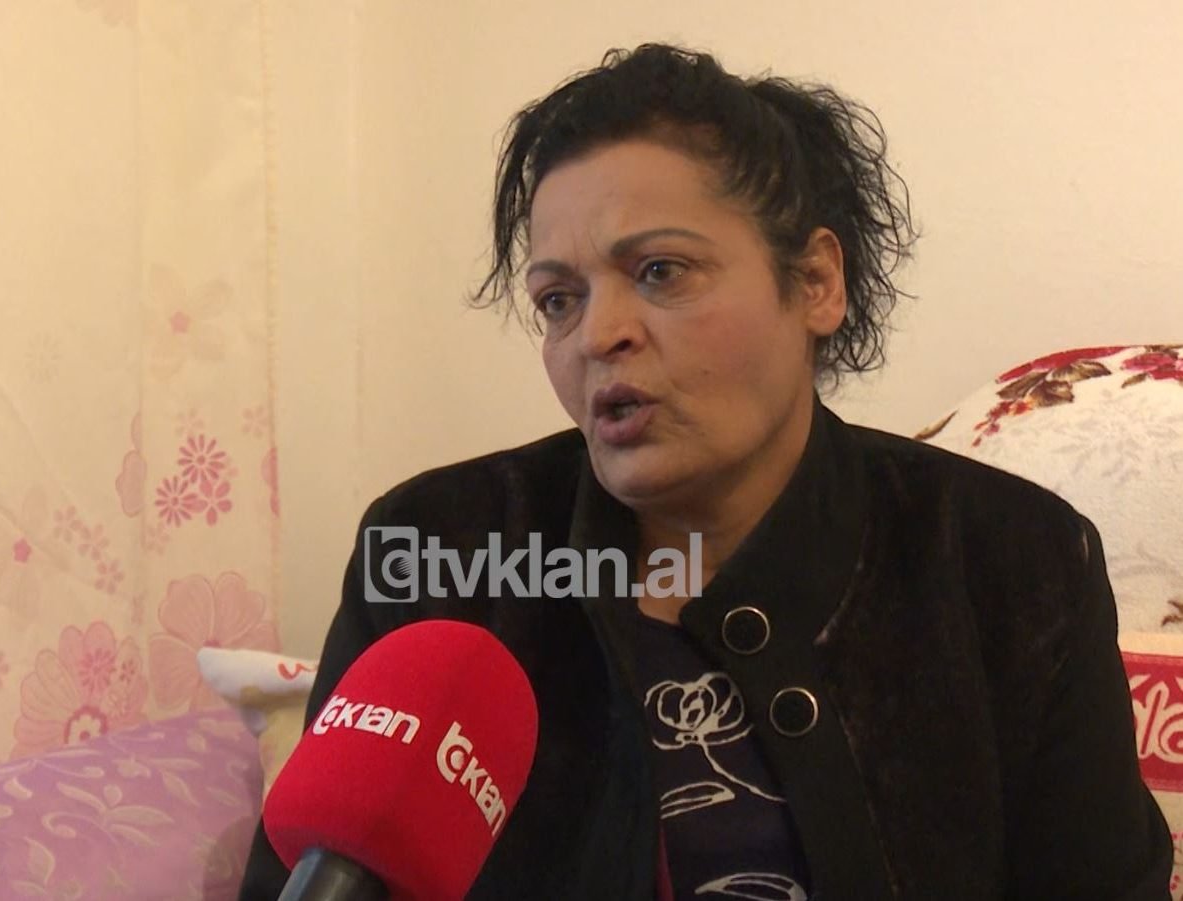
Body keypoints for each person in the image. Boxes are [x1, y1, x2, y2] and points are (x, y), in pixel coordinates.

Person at [240, 44, 1170, 899]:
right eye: (558, 299)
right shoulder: (441, 550)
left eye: (660, 272)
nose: (599, 334)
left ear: (816, 282)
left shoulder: (1012, 562)